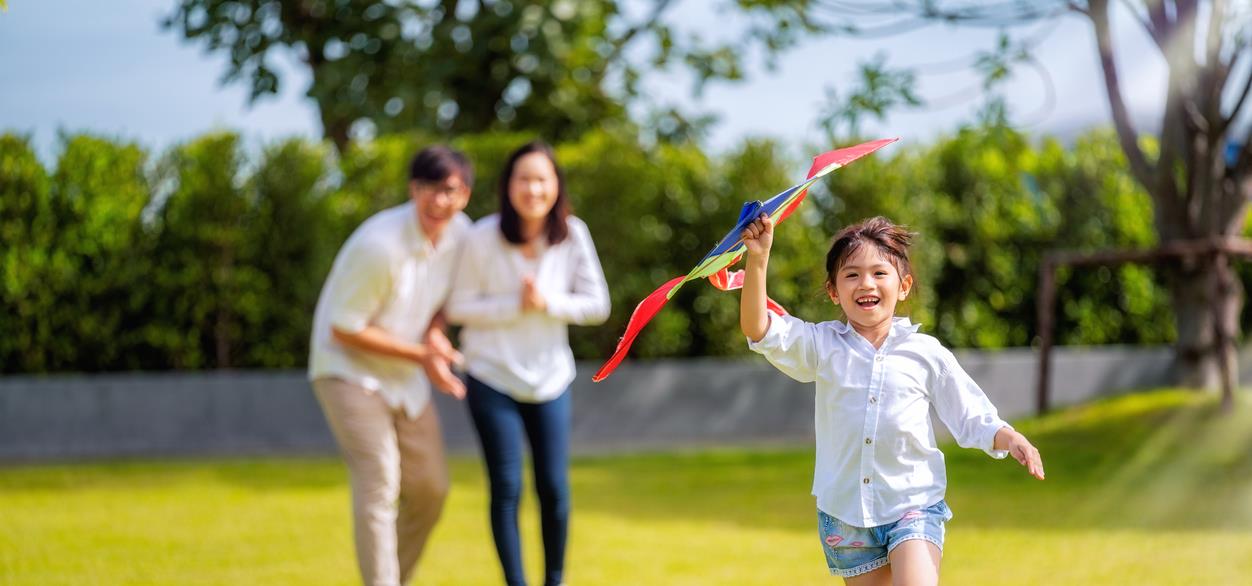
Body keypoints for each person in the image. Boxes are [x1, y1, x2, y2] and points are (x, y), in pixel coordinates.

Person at [738, 215, 1045, 586]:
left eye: (879, 273)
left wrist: (1009, 437)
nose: (866, 283)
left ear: (903, 286)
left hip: (913, 504)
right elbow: (759, 328)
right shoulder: (821, 345)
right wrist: (758, 258)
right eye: (851, 275)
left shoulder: (925, 353)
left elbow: (971, 413)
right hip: (845, 515)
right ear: (834, 291)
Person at [446, 140, 610, 586]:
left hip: (550, 378)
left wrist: (547, 303)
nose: (533, 189)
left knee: (554, 489)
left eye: (542, 179)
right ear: (507, 186)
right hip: (490, 375)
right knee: (506, 488)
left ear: (556, 186)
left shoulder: (573, 234)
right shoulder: (481, 236)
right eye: (524, 178)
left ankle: (554, 580)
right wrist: (514, 305)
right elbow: (457, 306)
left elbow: (598, 305)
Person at [308, 145, 473, 586]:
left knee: (431, 490)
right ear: (412, 190)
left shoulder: (461, 237)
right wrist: (424, 355)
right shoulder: (379, 246)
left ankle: (392, 579)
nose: (439, 201)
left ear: (466, 195)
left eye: (450, 190)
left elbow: (444, 304)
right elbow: (345, 328)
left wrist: (435, 335)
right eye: (427, 189)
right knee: (381, 480)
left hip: (404, 376)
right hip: (346, 370)